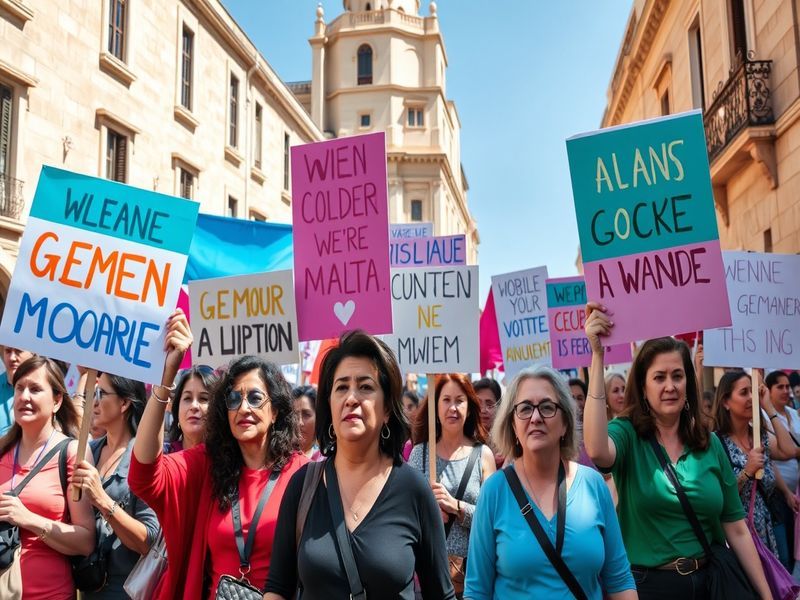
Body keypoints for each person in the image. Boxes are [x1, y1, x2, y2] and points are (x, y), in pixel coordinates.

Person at [583, 302, 771, 599]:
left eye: (677, 376)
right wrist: (597, 356)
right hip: (650, 588)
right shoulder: (628, 435)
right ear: (643, 387)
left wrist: (766, 595)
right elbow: (595, 449)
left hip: (711, 584)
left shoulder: (709, 444)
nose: (669, 386)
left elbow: (736, 529)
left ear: (688, 383)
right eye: (659, 377)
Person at [129, 310, 308, 599]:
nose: (244, 408)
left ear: (275, 411)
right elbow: (143, 475)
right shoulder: (206, 466)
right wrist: (166, 380)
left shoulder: (303, 474)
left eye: (255, 397)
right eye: (234, 399)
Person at [264, 330, 455, 599]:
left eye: (365, 386)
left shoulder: (414, 489)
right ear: (329, 404)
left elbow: (441, 594)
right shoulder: (302, 485)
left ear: (387, 408)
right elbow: (278, 588)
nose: (351, 398)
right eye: (341, 387)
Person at [464, 366, 636, 599]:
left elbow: (619, 579)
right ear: (513, 425)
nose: (535, 418)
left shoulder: (593, 485)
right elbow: (477, 591)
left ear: (565, 422)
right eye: (525, 409)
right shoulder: (494, 491)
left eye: (546, 407)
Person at [0, 356, 95, 599]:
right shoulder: (2, 450)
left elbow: (86, 541)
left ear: (57, 401)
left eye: (35, 389)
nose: (24, 397)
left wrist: (28, 519)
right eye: (19, 388)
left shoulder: (72, 452)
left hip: (51, 593)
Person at [73, 373, 160, 599]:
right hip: (87, 586)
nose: (94, 401)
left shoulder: (143, 459)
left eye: (102, 393)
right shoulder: (87, 452)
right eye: (92, 393)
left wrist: (102, 499)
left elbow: (147, 540)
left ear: (124, 403)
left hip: (126, 590)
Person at [408, 374, 496, 597]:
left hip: (471, 578)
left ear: (469, 407)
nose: (453, 408)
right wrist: (427, 511)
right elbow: (404, 514)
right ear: (435, 407)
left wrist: (456, 506)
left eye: (460, 400)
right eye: (446, 400)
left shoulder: (483, 455)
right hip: (425, 576)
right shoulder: (421, 453)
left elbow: (493, 521)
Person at [712, 370, 799, 565]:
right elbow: (719, 497)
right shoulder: (716, 443)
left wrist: (769, 408)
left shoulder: (759, 436)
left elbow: (788, 450)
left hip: (770, 528)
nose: (751, 397)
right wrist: (747, 472)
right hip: (739, 535)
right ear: (726, 401)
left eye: (752, 391)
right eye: (744, 392)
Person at [165, 365, 219, 454]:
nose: (194, 406)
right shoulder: (163, 456)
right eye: (187, 398)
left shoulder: (229, 461)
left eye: (204, 398)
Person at [0, 346, 33, 435]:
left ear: (33, 353)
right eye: (8, 351)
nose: (12, 358)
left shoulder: (46, 389)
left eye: (19, 351)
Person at [293, 385, 322, 460]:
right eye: (295, 415)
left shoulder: (324, 462)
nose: (299, 422)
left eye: (306, 415)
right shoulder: (278, 459)